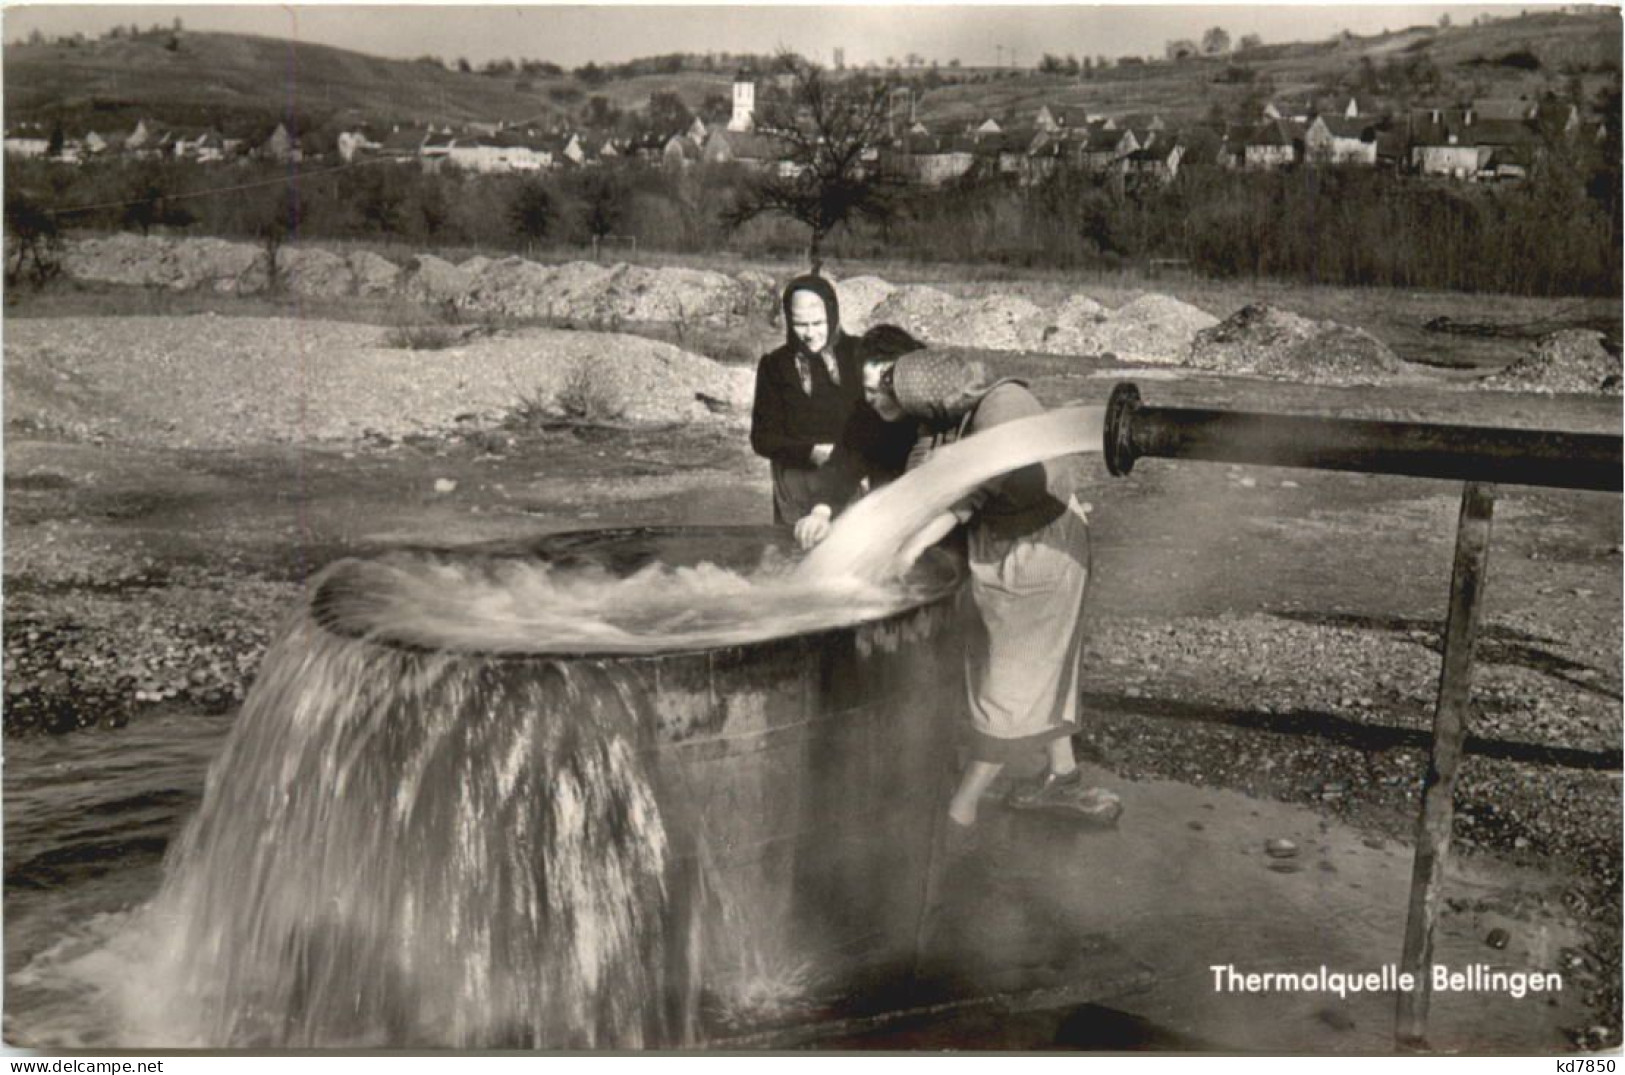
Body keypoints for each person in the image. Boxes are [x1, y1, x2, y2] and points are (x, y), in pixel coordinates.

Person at [812, 344, 1118, 829]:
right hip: (1007, 544)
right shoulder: (958, 405)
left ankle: (960, 810)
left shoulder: (1004, 411)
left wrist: (906, 552)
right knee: (1038, 666)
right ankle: (1062, 775)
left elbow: (965, 495)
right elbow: (924, 473)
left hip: (1038, 551)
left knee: (1010, 684)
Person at [792, 324, 928, 551]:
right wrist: (821, 512)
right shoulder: (866, 415)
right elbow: (842, 465)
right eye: (868, 389)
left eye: (885, 389)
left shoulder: (940, 414)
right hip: (886, 530)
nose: (872, 399)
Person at [749, 275, 865, 527]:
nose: (810, 334)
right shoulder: (774, 366)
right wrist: (810, 452)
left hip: (853, 477)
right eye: (801, 324)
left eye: (818, 323)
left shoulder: (858, 354)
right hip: (797, 483)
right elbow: (762, 439)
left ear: (833, 315)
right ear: (789, 321)